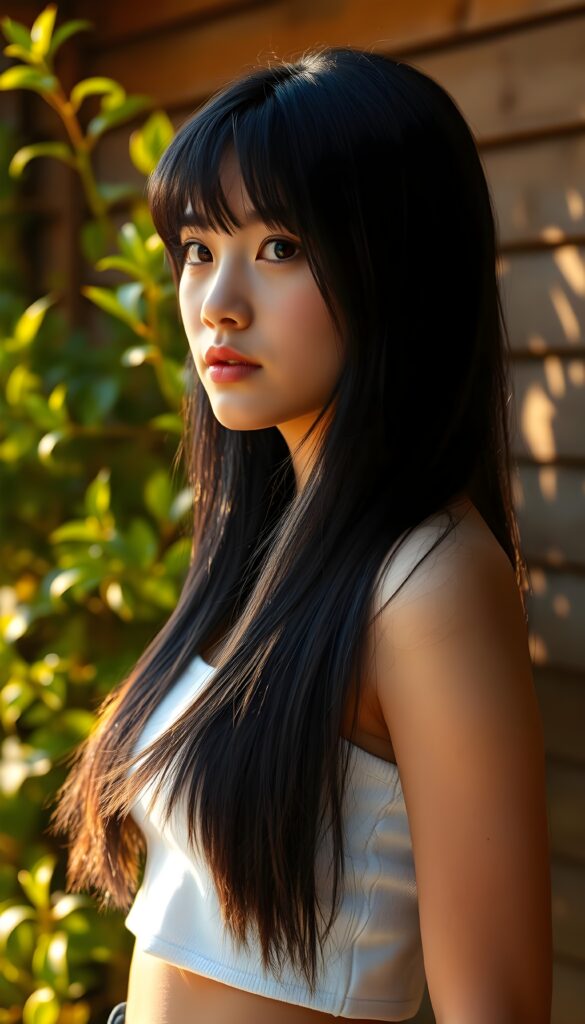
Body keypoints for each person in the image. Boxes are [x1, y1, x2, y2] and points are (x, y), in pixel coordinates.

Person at [49, 46, 552, 1024]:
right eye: (199, 248)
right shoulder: (263, 542)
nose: (218, 302)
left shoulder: (427, 579)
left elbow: (496, 1005)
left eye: (280, 246)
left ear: (394, 269)